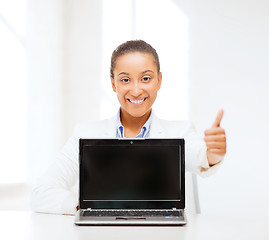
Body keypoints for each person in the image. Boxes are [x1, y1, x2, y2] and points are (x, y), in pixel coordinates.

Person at [30, 40, 226, 215]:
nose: (136, 90)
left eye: (146, 78)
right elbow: (42, 192)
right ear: (113, 84)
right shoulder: (85, 134)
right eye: (125, 80)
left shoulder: (181, 132)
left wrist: (212, 155)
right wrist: (85, 206)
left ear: (159, 81)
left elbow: (199, 156)